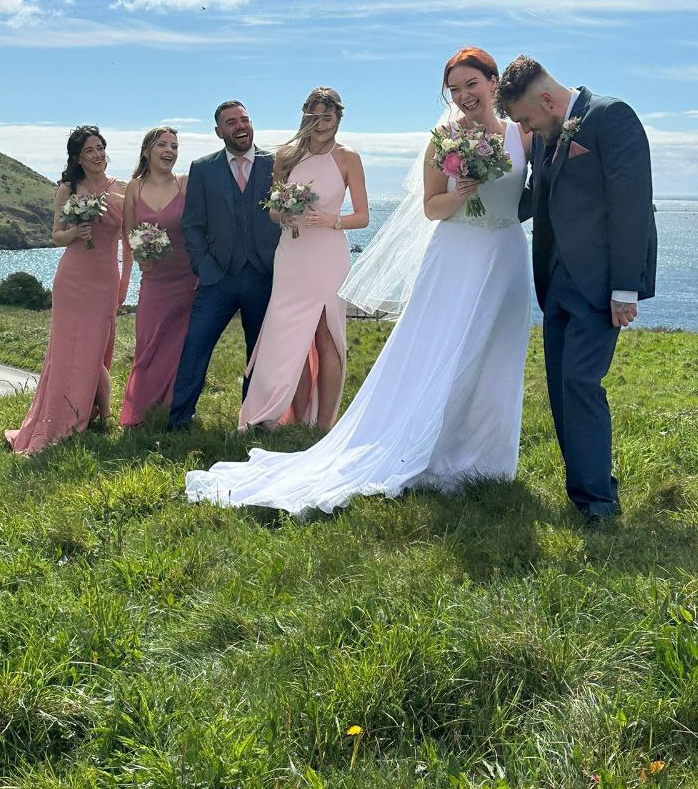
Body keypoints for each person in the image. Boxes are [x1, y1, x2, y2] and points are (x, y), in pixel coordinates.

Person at [185, 47, 532, 514]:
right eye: (454, 89)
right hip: (453, 254)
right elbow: (432, 207)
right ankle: (420, 444)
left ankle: (487, 460)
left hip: (506, 256)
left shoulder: (522, 135)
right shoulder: (443, 141)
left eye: (472, 84)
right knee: (440, 350)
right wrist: (462, 193)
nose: (464, 95)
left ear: (493, 82)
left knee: (497, 355)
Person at [495, 56, 657, 524]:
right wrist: (482, 190)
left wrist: (625, 287)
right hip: (555, 282)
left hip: (600, 283)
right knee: (561, 387)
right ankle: (583, 490)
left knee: (581, 383)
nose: (527, 129)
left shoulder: (612, 117)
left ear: (546, 100)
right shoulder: (547, 135)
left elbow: (632, 204)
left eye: (526, 120)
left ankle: (599, 502)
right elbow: (536, 200)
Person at [239, 87, 370, 432]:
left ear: (339, 117)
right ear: (304, 117)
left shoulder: (348, 158)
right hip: (292, 257)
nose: (321, 124)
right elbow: (272, 212)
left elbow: (363, 216)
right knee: (290, 337)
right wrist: (284, 214)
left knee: (326, 336)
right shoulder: (286, 157)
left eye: (327, 117)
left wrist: (331, 220)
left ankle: (324, 424)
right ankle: (296, 419)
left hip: (328, 257)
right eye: (314, 117)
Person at [6, 125, 130, 455]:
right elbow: (56, 236)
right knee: (67, 349)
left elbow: (129, 239)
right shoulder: (68, 189)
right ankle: (88, 416)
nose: (97, 154)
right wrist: (76, 231)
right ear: (77, 158)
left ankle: (99, 413)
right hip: (72, 279)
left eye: (100, 147)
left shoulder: (123, 189)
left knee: (96, 346)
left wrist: (125, 283)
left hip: (106, 277)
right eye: (89, 150)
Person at [167, 100, 280, 429]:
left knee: (259, 353)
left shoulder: (276, 164)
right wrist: (205, 268)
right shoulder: (203, 168)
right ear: (219, 132)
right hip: (218, 278)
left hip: (264, 275)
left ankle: (252, 420)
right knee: (195, 345)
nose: (240, 125)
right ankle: (179, 421)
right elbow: (192, 224)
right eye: (231, 122)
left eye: (244, 119)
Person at [120, 126, 197, 426]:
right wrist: (141, 256)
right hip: (154, 280)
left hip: (187, 279)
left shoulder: (185, 183)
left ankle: (172, 411)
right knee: (148, 342)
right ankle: (140, 411)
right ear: (146, 151)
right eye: (162, 145)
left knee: (180, 347)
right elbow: (129, 234)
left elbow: (199, 228)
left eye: (174, 146)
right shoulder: (134, 188)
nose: (169, 151)